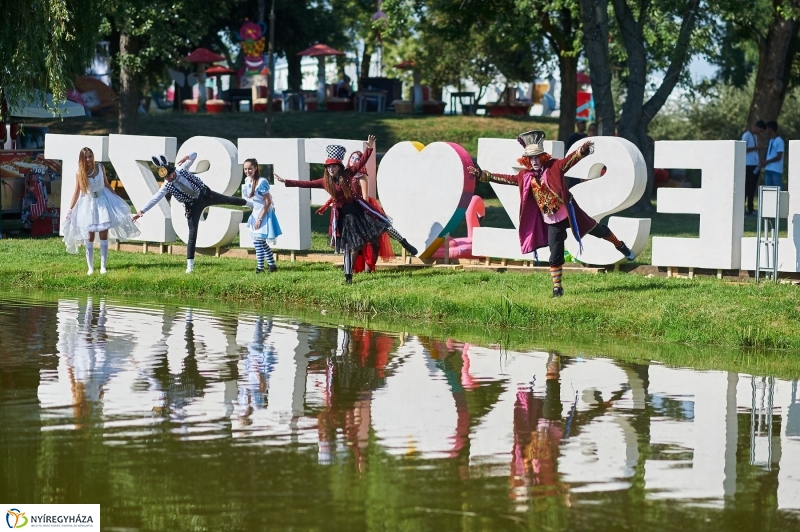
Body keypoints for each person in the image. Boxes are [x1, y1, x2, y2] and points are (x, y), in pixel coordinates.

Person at [467, 130, 634, 298]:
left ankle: (620, 245)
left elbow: (569, 161)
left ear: (543, 157)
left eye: (537, 157)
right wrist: (482, 175)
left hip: (570, 214)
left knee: (597, 230)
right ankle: (557, 289)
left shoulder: (554, 166)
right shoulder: (524, 176)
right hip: (552, 221)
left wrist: (582, 152)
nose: (535, 161)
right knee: (555, 255)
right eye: (531, 158)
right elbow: (505, 178)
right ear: (526, 160)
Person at [277, 135, 416, 284]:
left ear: (339, 167)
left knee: (383, 224)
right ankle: (348, 276)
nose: (331, 169)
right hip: (344, 216)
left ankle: (404, 242)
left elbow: (361, 162)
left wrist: (369, 148)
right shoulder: (324, 181)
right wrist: (286, 181)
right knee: (349, 247)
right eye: (329, 166)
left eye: (334, 166)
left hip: (358, 209)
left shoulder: (347, 173)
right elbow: (306, 183)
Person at [132, 153, 253, 273]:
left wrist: (187, 157)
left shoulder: (181, 169)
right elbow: (155, 198)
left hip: (205, 195)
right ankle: (190, 266)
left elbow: (195, 155)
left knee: (229, 200)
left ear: (172, 171)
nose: (168, 179)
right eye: (166, 178)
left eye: (169, 176)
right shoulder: (167, 185)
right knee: (192, 233)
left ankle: (252, 204)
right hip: (193, 205)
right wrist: (141, 211)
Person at [62, 147, 141, 274]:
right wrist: (70, 210)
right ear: (82, 159)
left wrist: (117, 198)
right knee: (90, 236)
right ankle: (90, 268)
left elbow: (106, 184)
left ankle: (103, 266)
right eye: (86, 157)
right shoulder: (80, 173)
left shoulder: (100, 167)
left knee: (104, 233)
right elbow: (76, 193)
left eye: (90, 156)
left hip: (103, 202)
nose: (88, 159)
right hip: (88, 205)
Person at [317, 150, 395, 273]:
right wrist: (327, 205)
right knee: (354, 242)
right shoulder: (343, 176)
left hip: (362, 209)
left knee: (374, 237)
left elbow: (364, 197)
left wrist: (366, 214)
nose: (354, 160)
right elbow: (337, 194)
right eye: (352, 158)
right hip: (347, 211)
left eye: (357, 159)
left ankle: (368, 267)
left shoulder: (360, 176)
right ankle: (352, 268)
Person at [242, 158, 281, 273]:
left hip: (264, 213)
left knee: (258, 242)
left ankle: (260, 267)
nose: (247, 171)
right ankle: (272, 265)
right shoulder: (248, 181)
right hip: (256, 212)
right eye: (245, 169)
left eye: (250, 168)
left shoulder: (262, 182)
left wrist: (260, 219)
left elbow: (268, 202)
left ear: (255, 168)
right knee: (261, 242)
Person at [743, 120, 766, 215]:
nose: (760, 133)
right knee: (746, 187)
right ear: (756, 127)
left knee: (753, 188)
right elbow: (743, 148)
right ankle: (742, 207)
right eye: (760, 131)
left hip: (755, 164)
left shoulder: (755, 136)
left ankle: (751, 208)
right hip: (748, 164)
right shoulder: (746, 135)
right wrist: (756, 148)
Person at [763, 120, 784, 191]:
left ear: (770, 129)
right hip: (768, 168)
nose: (766, 131)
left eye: (767, 129)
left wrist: (767, 161)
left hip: (776, 169)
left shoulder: (779, 141)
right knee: (769, 191)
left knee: (778, 190)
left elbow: (779, 156)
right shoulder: (771, 140)